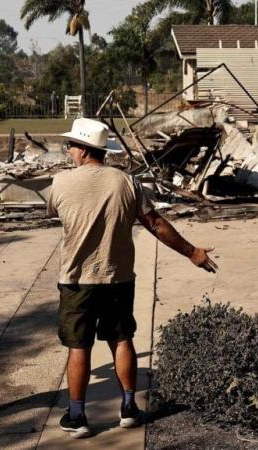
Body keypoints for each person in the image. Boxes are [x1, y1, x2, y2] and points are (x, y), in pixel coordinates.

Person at [48, 118, 217, 438]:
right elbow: (155, 223)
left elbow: (57, 213)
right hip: (118, 278)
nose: (68, 150)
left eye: (71, 145)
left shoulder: (60, 182)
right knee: (121, 340)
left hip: (76, 279)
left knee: (78, 346)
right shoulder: (127, 182)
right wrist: (192, 252)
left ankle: (77, 415)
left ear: (84, 150)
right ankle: (128, 408)